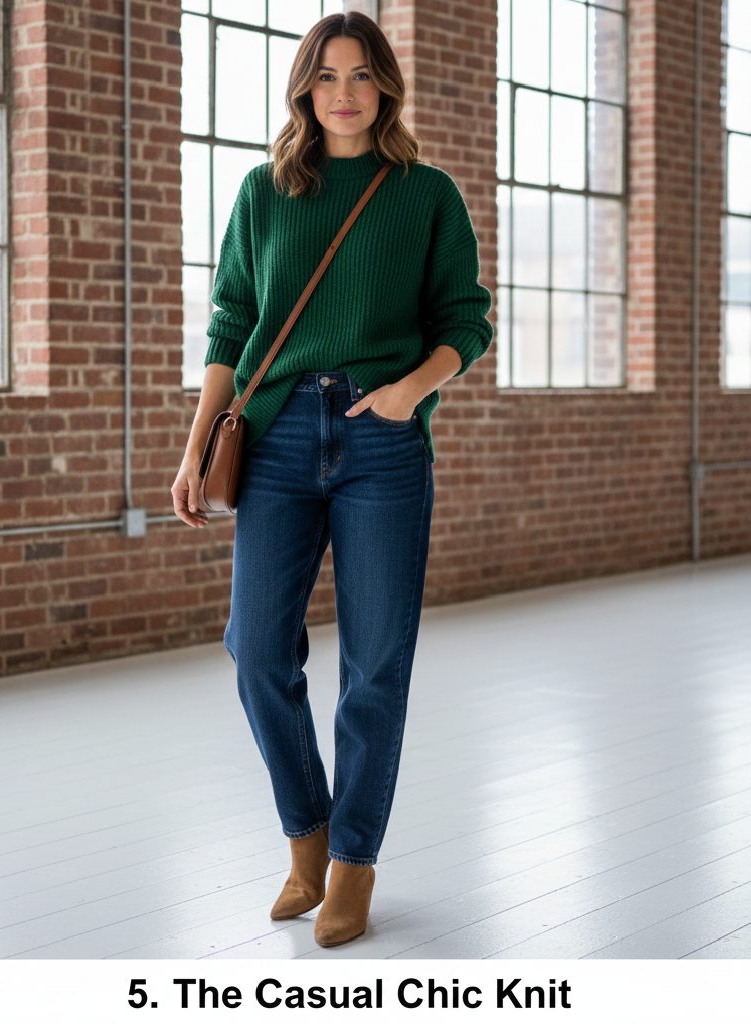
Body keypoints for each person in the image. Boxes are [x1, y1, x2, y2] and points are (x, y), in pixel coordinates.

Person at [171, 11, 493, 949]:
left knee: (375, 663)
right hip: (272, 439)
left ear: (384, 85)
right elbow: (231, 325)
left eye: (360, 74)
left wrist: (406, 394)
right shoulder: (264, 193)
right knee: (259, 649)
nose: (344, 92)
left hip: (381, 441)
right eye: (326, 76)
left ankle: (352, 863)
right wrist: (195, 447)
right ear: (304, 91)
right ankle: (305, 836)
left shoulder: (426, 194)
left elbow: (466, 321)